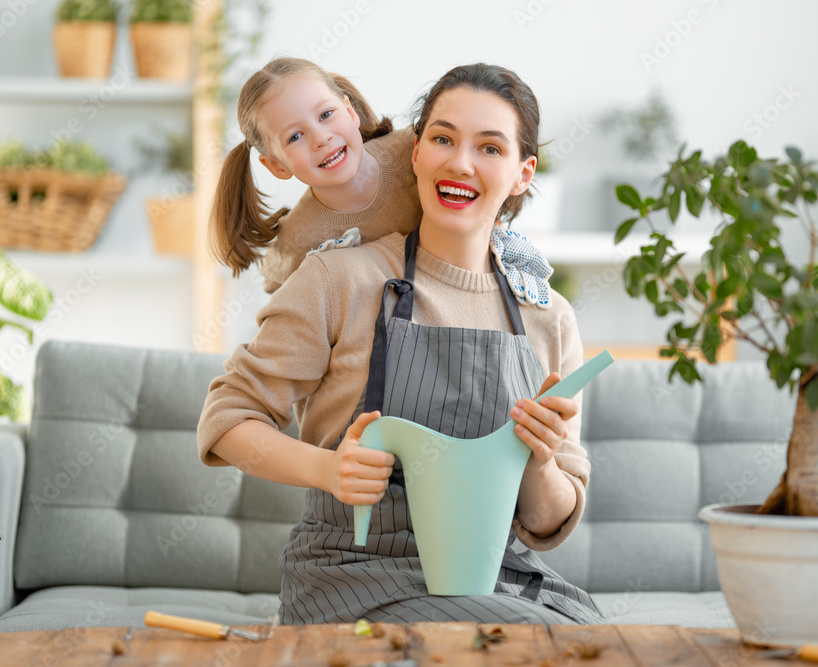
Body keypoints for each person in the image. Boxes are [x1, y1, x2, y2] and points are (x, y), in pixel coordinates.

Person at [198, 63, 604, 625]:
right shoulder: (335, 278)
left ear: (521, 174)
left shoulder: (548, 316)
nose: (459, 162)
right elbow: (227, 420)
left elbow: (546, 524)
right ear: (415, 152)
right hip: (356, 575)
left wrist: (538, 461)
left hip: (497, 576)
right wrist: (327, 469)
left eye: (489, 147)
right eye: (442, 138)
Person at [209, 57, 553, 305]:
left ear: (349, 111)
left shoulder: (413, 151)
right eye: (295, 136)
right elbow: (290, 330)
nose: (321, 138)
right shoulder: (298, 241)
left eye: (326, 115)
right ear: (276, 166)